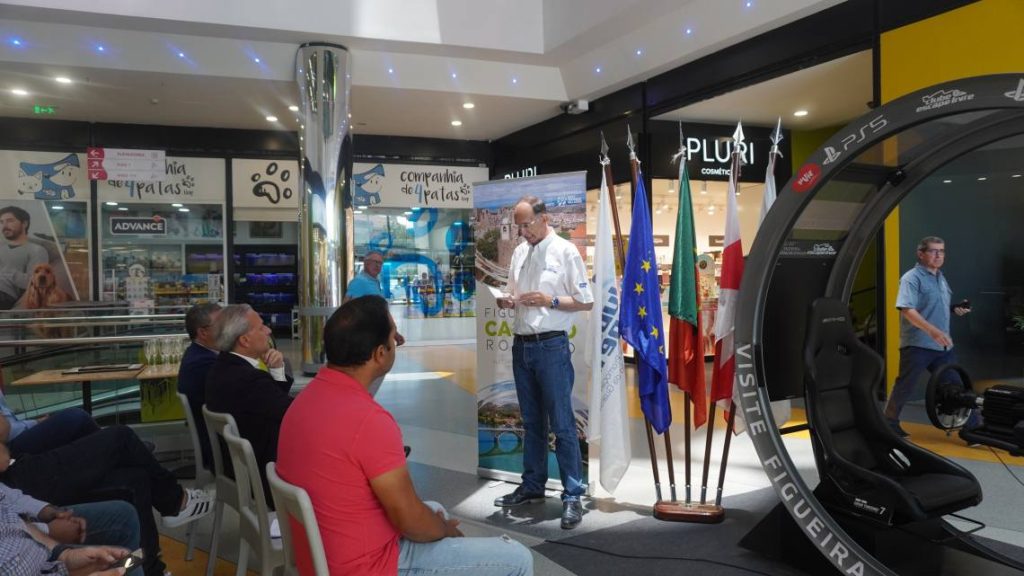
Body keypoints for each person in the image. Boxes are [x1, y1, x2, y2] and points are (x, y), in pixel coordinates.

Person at [277, 296, 533, 576]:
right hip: (368, 565)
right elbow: (409, 520)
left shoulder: (303, 402)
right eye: (393, 337)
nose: (397, 342)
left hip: (321, 554)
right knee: (517, 557)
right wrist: (445, 531)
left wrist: (435, 524)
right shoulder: (368, 421)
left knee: (434, 509)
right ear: (380, 354)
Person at [0, 420, 214, 576]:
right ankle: (175, 503)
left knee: (133, 484)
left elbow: (10, 507)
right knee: (118, 436)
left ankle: (151, 569)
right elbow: (3, 453)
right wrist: (54, 541)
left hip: (34, 535)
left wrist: (61, 548)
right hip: (36, 555)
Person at [493, 196, 593, 530]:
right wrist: (508, 301)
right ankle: (533, 485)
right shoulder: (520, 252)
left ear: (544, 218)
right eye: (519, 226)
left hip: (551, 347)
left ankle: (572, 495)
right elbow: (511, 290)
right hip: (521, 346)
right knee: (532, 422)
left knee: (562, 424)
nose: (522, 232)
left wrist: (549, 300)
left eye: (526, 225)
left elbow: (585, 301)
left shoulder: (565, 251)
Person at [884, 236, 974, 437]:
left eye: (941, 251)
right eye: (933, 251)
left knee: (957, 386)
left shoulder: (940, 278)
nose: (938, 255)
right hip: (918, 344)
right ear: (921, 254)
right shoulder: (911, 278)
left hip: (942, 346)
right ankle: (888, 424)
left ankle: (972, 428)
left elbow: (933, 307)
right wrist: (933, 331)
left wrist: (954, 309)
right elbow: (907, 309)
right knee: (906, 386)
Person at [205, 304, 293, 505]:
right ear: (244, 340)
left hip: (237, 465)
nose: (268, 331)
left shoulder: (221, 368)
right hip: (264, 472)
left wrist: (277, 370)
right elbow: (291, 413)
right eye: (261, 327)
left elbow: (274, 402)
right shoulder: (249, 380)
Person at [0, 482, 141, 574]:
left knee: (127, 559)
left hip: (43, 557)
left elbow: (10, 514)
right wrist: (48, 529)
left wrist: (63, 555)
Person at [344, 250, 405, 397]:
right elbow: (346, 307)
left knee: (376, 371)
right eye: (375, 262)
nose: (378, 266)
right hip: (366, 338)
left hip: (376, 337)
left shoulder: (374, 282)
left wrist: (394, 333)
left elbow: (380, 309)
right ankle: (362, 400)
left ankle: (364, 399)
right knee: (372, 371)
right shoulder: (360, 282)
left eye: (380, 263)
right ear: (366, 262)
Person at [176, 302, 223, 471]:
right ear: (203, 332)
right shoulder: (204, 364)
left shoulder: (198, 355)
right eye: (222, 324)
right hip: (221, 449)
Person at [0, 387, 99, 457]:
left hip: (11, 436)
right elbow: (4, 431)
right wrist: (34, 423)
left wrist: (35, 422)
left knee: (73, 424)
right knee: (76, 418)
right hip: (6, 448)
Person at [0, 205, 49, 309]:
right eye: (1, 222)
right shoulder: (1, 248)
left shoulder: (36, 250)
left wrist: (8, 273)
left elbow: (36, 282)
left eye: (10, 221)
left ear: (24, 224)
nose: (4, 226)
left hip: (5, 293)